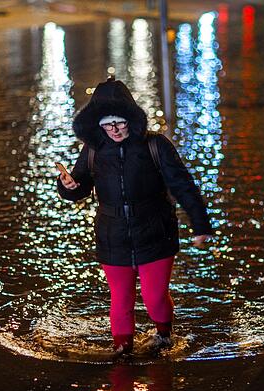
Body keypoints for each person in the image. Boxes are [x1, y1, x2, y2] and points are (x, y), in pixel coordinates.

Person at [57, 78, 212, 356]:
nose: (114, 129)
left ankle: (164, 336)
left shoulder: (156, 145)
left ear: (130, 118)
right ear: (97, 125)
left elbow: (182, 185)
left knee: (154, 298)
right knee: (121, 299)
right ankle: (122, 352)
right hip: (112, 233)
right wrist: (68, 187)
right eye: (107, 124)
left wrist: (199, 224)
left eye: (119, 122)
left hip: (155, 230)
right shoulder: (93, 150)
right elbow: (79, 187)